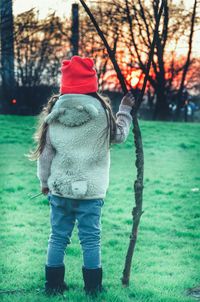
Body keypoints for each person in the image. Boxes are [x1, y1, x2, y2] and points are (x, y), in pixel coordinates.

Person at [30, 56, 136, 296]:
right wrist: (124, 111)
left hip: (60, 189)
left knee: (57, 238)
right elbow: (119, 136)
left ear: (64, 84)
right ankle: (93, 289)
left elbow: (45, 155)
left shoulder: (55, 113)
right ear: (92, 84)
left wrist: (44, 183)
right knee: (91, 240)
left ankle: (53, 286)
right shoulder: (101, 112)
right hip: (91, 191)